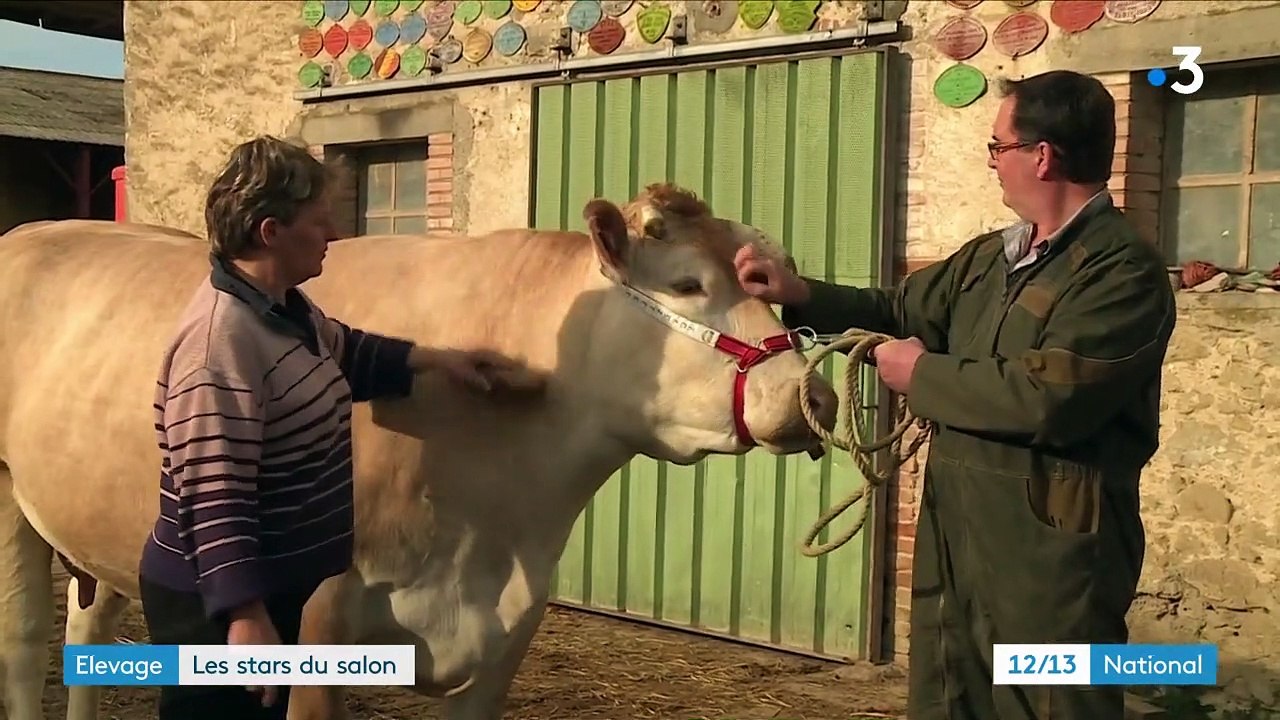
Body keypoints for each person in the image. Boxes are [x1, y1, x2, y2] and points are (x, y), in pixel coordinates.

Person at [734, 70, 1176, 719]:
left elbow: (1050, 396)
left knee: (1052, 702)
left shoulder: (1123, 271)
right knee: (951, 692)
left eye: (997, 146)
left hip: (1052, 549)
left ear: (1042, 155)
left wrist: (924, 377)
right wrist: (798, 294)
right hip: (959, 530)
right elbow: (898, 308)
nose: (992, 161)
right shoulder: (989, 259)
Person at [137, 135, 541, 720]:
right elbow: (212, 494)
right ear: (270, 231)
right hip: (211, 603)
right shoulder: (219, 343)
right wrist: (244, 617)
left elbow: (344, 351)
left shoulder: (282, 309)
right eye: (319, 220)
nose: (333, 234)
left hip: (271, 584)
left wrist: (440, 360)